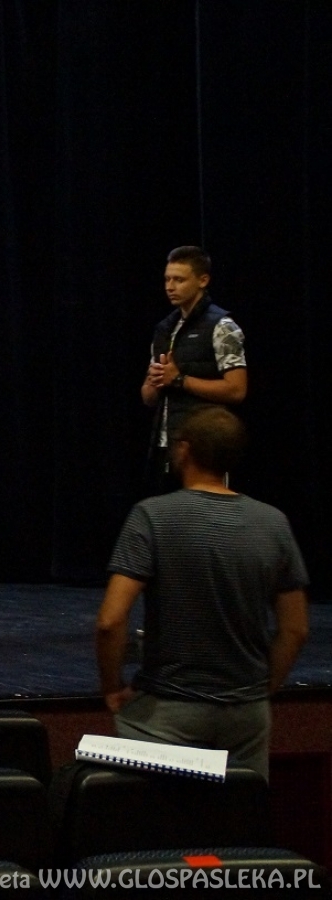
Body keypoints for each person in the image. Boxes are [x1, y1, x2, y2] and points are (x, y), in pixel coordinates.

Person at [96, 407, 308, 781]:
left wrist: (112, 688)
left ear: (184, 450)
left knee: (156, 815)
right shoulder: (273, 522)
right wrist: (259, 691)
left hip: (166, 712)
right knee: (240, 811)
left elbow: (111, 621)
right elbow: (295, 629)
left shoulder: (152, 516)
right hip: (247, 714)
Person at [141, 246, 247, 492]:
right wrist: (153, 382)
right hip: (167, 444)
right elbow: (148, 397)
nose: (170, 287)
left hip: (205, 448)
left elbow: (237, 390)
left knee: (202, 511)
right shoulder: (165, 328)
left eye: (179, 280)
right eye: (167, 279)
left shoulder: (222, 326)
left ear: (203, 280)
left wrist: (179, 379)